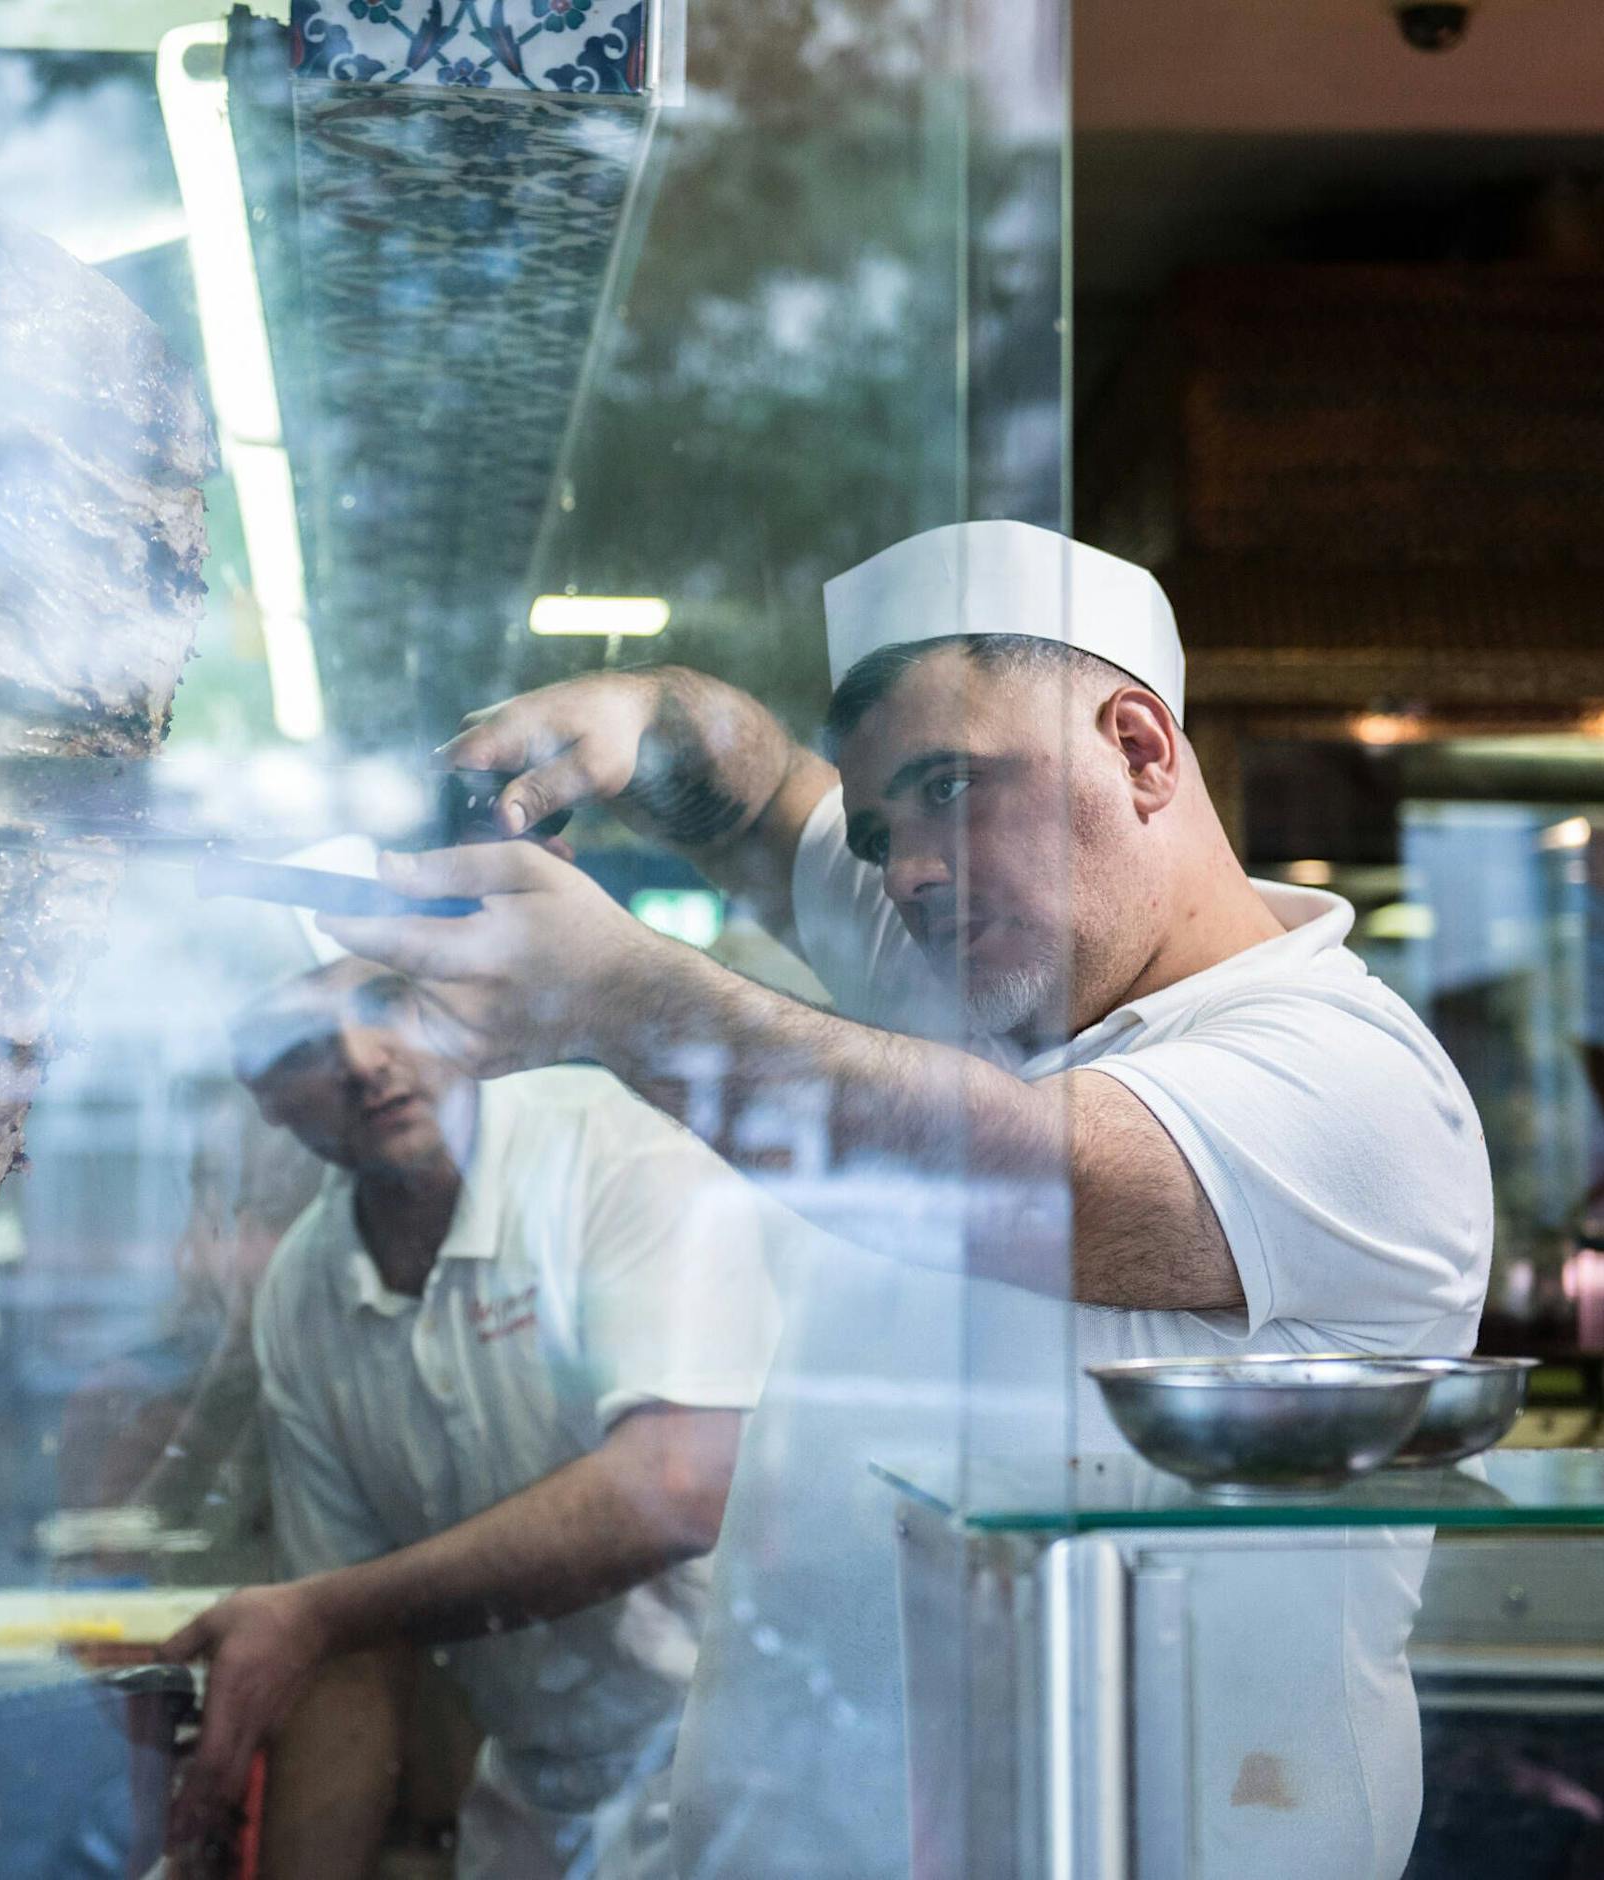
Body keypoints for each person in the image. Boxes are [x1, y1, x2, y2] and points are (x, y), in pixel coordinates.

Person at [325, 520, 1495, 1878]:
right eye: (886, 831)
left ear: (1139, 747)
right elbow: (761, 795)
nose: (910, 869)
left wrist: (616, 992)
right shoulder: (969, 961)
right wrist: (641, 714)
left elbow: (1009, 1173)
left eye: (953, 786)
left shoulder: (1345, 1077)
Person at [166, 955, 781, 1880]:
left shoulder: (605, 1146)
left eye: (385, 1002)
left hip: (757, 1780)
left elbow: (679, 1484)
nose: (367, 1060)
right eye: (304, 1045)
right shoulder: (303, 1294)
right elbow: (350, 1666)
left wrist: (321, 1612)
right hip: (542, 1804)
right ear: (266, 1096)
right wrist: (322, 1622)